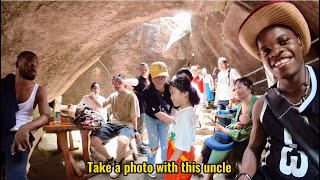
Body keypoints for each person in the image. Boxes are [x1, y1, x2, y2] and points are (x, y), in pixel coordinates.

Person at [237, 1, 319, 179]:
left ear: (298, 41)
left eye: (283, 41)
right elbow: (253, 148)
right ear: (261, 59)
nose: (275, 52)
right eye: (266, 51)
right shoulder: (263, 105)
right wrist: (244, 175)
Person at [1, 51, 50, 180]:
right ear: (17, 64)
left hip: (20, 137)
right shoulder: (4, 85)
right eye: (29, 62)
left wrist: (25, 128)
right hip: (2, 131)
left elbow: (46, 116)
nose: (34, 66)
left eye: (36, 64)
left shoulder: (39, 91)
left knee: (16, 176)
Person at [197, 77, 257, 179]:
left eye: (239, 87)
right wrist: (218, 112)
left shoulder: (256, 104)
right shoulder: (242, 104)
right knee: (212, 141)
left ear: (250, 88)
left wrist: (225, 130)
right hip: (237, 137)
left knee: (219, 143)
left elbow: (247, 132)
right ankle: (207, 171)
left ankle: (208, 173)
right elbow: (232, 112)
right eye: (235, 89)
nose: (237, 91)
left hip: (250, 142)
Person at [90, 74, 140, 179]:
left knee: (122, 141)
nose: (116, 84)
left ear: (125, 84)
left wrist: (135, 130)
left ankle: (117, 165)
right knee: (94, 139)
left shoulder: (131, 96)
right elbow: (101, 106)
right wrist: (94, 99)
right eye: (115, 83)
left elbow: (134, 116)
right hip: (113, 123)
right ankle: (110, 159)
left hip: (127, 125)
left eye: (119, 82)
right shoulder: (112, 96)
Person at [142, 61, 175, 178]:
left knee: (165, 144)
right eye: (157, 76)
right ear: (151, 76)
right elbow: (158, 113)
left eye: (163, 76)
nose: (161, 79)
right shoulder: (147, 91)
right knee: (154, 144)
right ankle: (150, 165)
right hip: (152, 118)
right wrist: (176, 121)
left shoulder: (171, 87)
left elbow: (177, 103)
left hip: (166, 119)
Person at [164, 76, 200, 180]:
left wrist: (171, 162)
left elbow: (181, 145)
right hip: (176, 154)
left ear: (185, 93)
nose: (171, 97)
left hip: (179, 159)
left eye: (173, 93)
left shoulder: (186, 116)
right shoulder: (183, 111)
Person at [125, 63, 149, 155]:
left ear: (148, 69)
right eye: (142, 69)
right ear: (139, 70)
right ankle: (138, 147)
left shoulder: (146, 80)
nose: (144, 70)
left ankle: (140, 142)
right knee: (139, 129)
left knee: (142, 128)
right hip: (139, 108)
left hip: (145, 107)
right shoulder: (138, 80)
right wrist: (122, 81)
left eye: (145, 69)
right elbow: (130, 81)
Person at [214, 57, 241, 127]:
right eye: (219, 63)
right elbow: (218, 87)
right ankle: (224, 132)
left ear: (226, 63)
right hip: (221, 98)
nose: (220, 65)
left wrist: (235, 92)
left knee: (228, 118)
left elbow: (240, 81)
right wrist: (216, 99)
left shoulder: (232, 71)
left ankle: (229, 132)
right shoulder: (219, 74)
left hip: (229, 98)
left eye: (222, 63)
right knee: (220, 117)